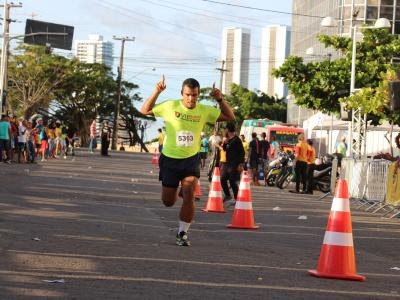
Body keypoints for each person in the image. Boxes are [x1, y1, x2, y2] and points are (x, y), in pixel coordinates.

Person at [140, 76, 235, 246]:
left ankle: (182, 233)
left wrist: (219, 99)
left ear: (198, 95)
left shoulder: (204, 110)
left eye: (195, 95)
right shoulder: (170, 106)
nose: (191, 98)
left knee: (190, 193)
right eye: (188, 95)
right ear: (182, 93)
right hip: (170, 159)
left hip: (191, 159)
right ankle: (179, 189)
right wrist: (157, 91)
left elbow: (229, 116)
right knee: (168, 202)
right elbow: (145, 110)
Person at [220, 123, 245, 206]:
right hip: (227, 163)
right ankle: (227, 195)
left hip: (235, 163)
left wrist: (240, 164)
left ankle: (237, 198)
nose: (224, 130)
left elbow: (242, 152)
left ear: (228, 129)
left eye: (225, 129)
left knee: (232, 181)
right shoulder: (227, 139)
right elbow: (224, 149)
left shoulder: (237, 140)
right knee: (222, 179)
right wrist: (224, 143)